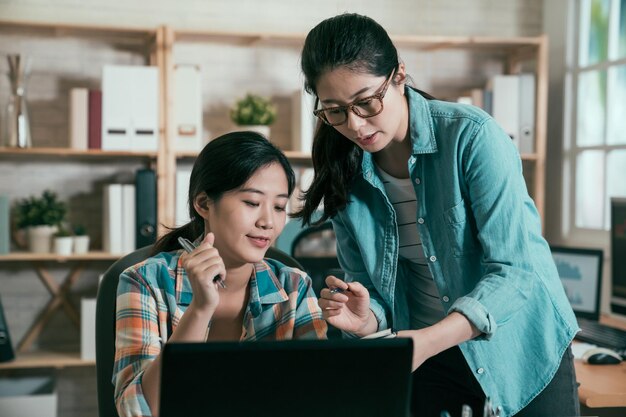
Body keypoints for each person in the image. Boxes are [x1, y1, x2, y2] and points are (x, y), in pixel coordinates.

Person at [295, 13, 579, 417]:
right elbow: (370, 288)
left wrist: (427, 340)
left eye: (366, 102)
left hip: (520, 349)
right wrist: (367, 319)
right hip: (430, 357)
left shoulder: (472, 137)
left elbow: (516, 273)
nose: (355, 125)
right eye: (335, 111)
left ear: (399, 75)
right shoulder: (344, 170)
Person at [113, 131, 327, 417]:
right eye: (252, 203)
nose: (268, 222)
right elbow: (136, 409)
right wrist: (200, 309)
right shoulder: (144, 281)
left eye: (278, 207)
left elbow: (324, 393)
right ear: (203, 204)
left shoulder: (295, 287)